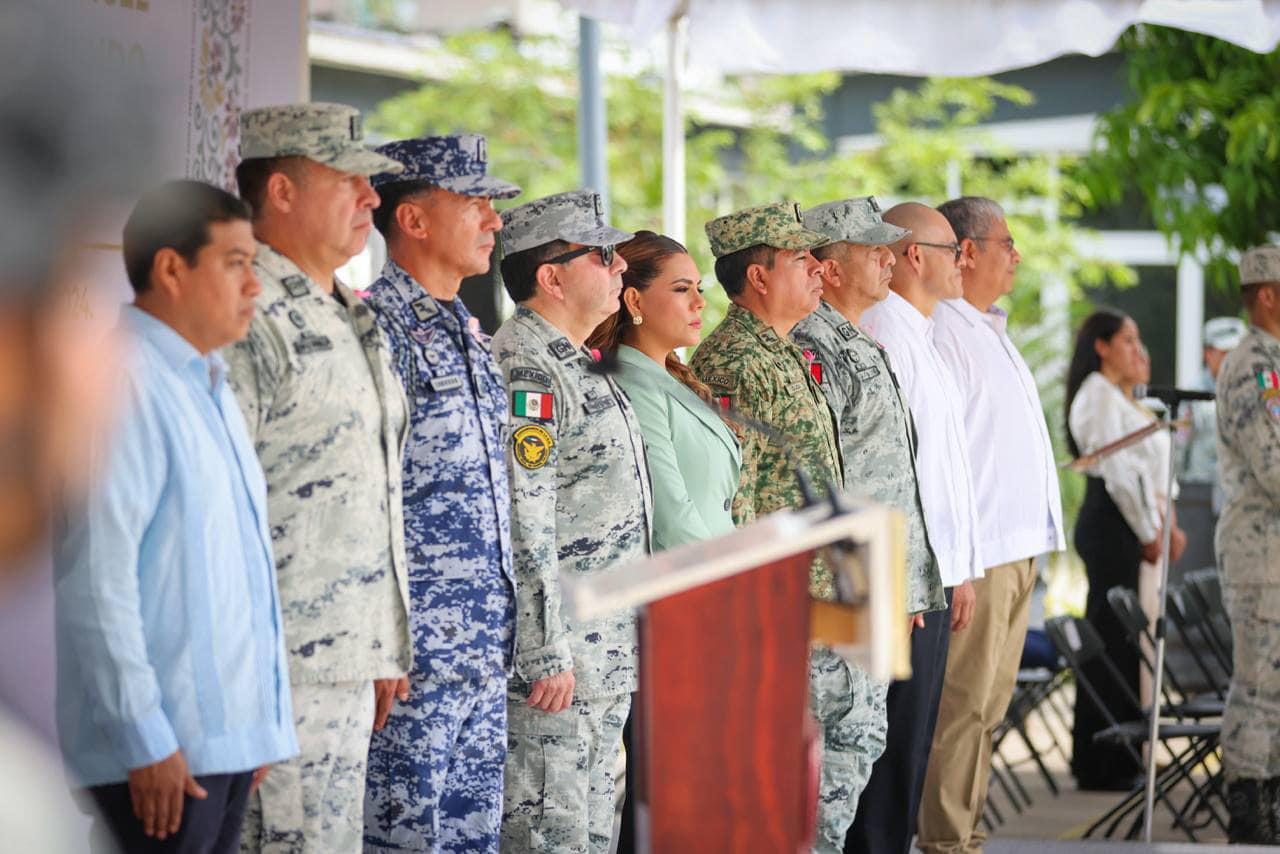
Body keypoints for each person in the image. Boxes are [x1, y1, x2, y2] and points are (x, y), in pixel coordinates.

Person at [55, 181, 298, 853]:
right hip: (161, 758)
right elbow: (95, 582)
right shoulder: (123, 380)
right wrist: (145, 739)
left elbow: (235, 574)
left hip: (219, 749)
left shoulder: (209, 381)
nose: (255, 285)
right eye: (235, 263)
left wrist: (254, 725)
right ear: (170, 269)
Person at [226, 103, 414, 852]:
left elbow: (370, 488)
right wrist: (243, 679)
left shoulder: (348, 312)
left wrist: (381, 642)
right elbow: (222, 505)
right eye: (349, 180)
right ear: (281, 191)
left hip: (347, 658)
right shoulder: (245, 308)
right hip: (274, 668)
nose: (371, 197)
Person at [689, 201, 878, 854]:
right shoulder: (733, 362)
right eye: (802, 260)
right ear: (759, 276)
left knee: (850, 752)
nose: (819, 270)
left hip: (830, 590)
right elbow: (733, 494)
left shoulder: (786, 352)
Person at [358, 134, 521, 853]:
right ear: (413, 220)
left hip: (481, 649)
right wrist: (379, 640)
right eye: (474, 203)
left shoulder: (468, 332)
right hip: (414, 657)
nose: (494, 220)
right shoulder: (377, 328)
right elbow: (366, 494)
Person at [491, 190, 652, 853]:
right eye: (602, 254)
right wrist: (543, 651)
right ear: (551, 278)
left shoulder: (573, 358)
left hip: (603, 652)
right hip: (560, 662)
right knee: (548, 836)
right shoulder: (526, 365)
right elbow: (524, 516)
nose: (621, 266)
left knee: (587, 836)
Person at [787, 197, 947, 851]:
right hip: (843, 594)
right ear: (828, 268)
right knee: (833, 768)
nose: (888, 260)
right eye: (873, 250)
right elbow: (822, 482)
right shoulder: (813, 348)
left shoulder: (859, 341)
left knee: (863, 756)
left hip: (879, 589)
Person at [585, 230, 742, 853]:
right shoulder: (632, 380)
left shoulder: (670, 377)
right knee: (674, 792)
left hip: (708, 596)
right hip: (683, 602)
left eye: (698, 288)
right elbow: (672, 514)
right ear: (634, 301)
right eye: (681, 289)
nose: (699, 302)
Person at [918, 197, 1066, 853]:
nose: (1017, 256)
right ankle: (947, 841)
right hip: (982, 552)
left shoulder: (988, 328)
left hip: (1017, 546)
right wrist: (962, 562)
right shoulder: (944, 332)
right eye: (1007, 244)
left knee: (991, 706)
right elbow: (943, 457)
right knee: (964, 705)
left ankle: (966, 833)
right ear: (968, 251)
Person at [854, 202, 982, 854]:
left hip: (933, 574)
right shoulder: (886, 334)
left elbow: (942, 470)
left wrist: (960, 570)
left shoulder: (922, 335)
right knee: (890, 752)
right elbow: (887, 476)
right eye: (952, 249)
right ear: (914, 255)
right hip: (907, 579)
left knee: (911, 748)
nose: (964, 263)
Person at [1065, 308, 1186, 791]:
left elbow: (1146, 471)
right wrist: (1148, 531)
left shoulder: (1118, 396)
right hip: (1111, 520)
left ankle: (1126, 752)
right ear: (1102, 346)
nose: (1139, 350)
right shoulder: (1096, 393)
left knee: (1124, 640)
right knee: (1110, 638)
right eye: (1127, 340)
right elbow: (1118, 472)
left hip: (1128, 521)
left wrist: (1158, 524)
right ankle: (1102, 759)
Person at [1214, 245, 1280, 843]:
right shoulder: (1252, 366)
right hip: (1260, 553)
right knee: (1260, 683)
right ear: (1267, 295)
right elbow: (1273, 463)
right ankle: (1248, 806)